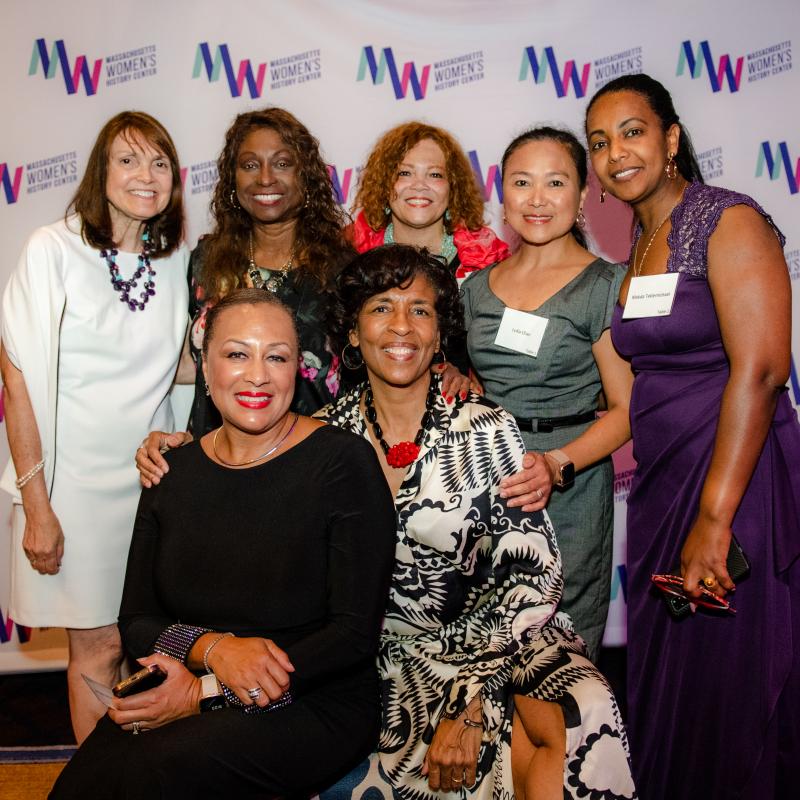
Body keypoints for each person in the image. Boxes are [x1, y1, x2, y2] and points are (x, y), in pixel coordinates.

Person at [316, 245, 636, 800]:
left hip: (489, 645)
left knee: (582, 701)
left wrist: (469, 695)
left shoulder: (487, 429)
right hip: (372, 656)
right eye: (381, 308)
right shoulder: (318, 442)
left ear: (441, 337)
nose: (401, 326)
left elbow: (532, 581)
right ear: (351, 332)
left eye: (420, 310)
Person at [50, 290, 396, 799]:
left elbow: (352, 635)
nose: (257, 374)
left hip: (312, 698)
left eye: (275, 357)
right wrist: (214, 651)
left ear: (296, 371)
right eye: (237, 354)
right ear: (205, 370)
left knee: (159, 773)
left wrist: (205, 693)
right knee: (84, 784)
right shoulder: (172, 470)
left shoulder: (342, 463)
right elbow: (138, 622)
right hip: (195, 685)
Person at [585, 72, 800, 799]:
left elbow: (763, 368)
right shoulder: (638, 246)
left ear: (671, 138)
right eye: (600, 141)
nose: (616, 152)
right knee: (676, 675)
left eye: (633, 131)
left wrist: (715, 516)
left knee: (732, 679)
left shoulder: (727, 219)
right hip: (660, 489)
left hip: (733, 484)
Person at [0, 112, 189, 743]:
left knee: (153, 647)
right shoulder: (52, 249)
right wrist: (36, 505)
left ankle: (145, 777)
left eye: (159, 163)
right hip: (71, 492)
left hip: (153, 487)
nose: (145, 176)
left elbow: (180, 367)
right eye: (128, 161)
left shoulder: (175, 260)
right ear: (100, 172)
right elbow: (18, 378)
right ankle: (98, 784)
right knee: (99, 650)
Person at [461, 128, 633, 660]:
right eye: (522, 182)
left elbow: (628, 410)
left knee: (557, 658)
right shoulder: (474, 289)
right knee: (484, 647)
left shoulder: (603, 284)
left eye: (555, 182)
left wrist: (557, 463)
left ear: (582, 195)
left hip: (569, 488)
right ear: (503, 195)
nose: (537, 199)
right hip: (486, 483)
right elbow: (475, 381)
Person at [187, 107, 354, 437]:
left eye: (282, 163)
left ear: (305, 176)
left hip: (312, 463)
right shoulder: (205, 262)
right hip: (216, 457)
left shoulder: (343, 271)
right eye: (250, 165)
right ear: (233, 179)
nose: (265, 178)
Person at [351, 122, 510, 283]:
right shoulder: (351, 257)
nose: (419, 185)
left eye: (435, 174)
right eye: (405, 173)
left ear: (453, 188)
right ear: (384, 186)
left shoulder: (489, 262)